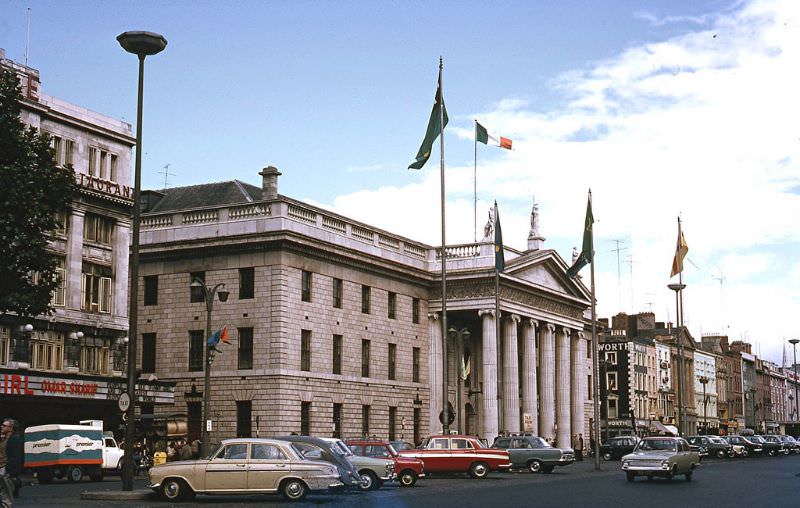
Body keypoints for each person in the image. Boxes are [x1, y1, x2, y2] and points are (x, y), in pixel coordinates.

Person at [2, 419, 23, 499]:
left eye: (4, 426)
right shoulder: (4, 439)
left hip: (8, 469)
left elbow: (15, 457)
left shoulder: (15, 439)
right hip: (3, 468)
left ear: (11, 428)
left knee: (7, 496)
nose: (1, 427)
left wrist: (10, 470)